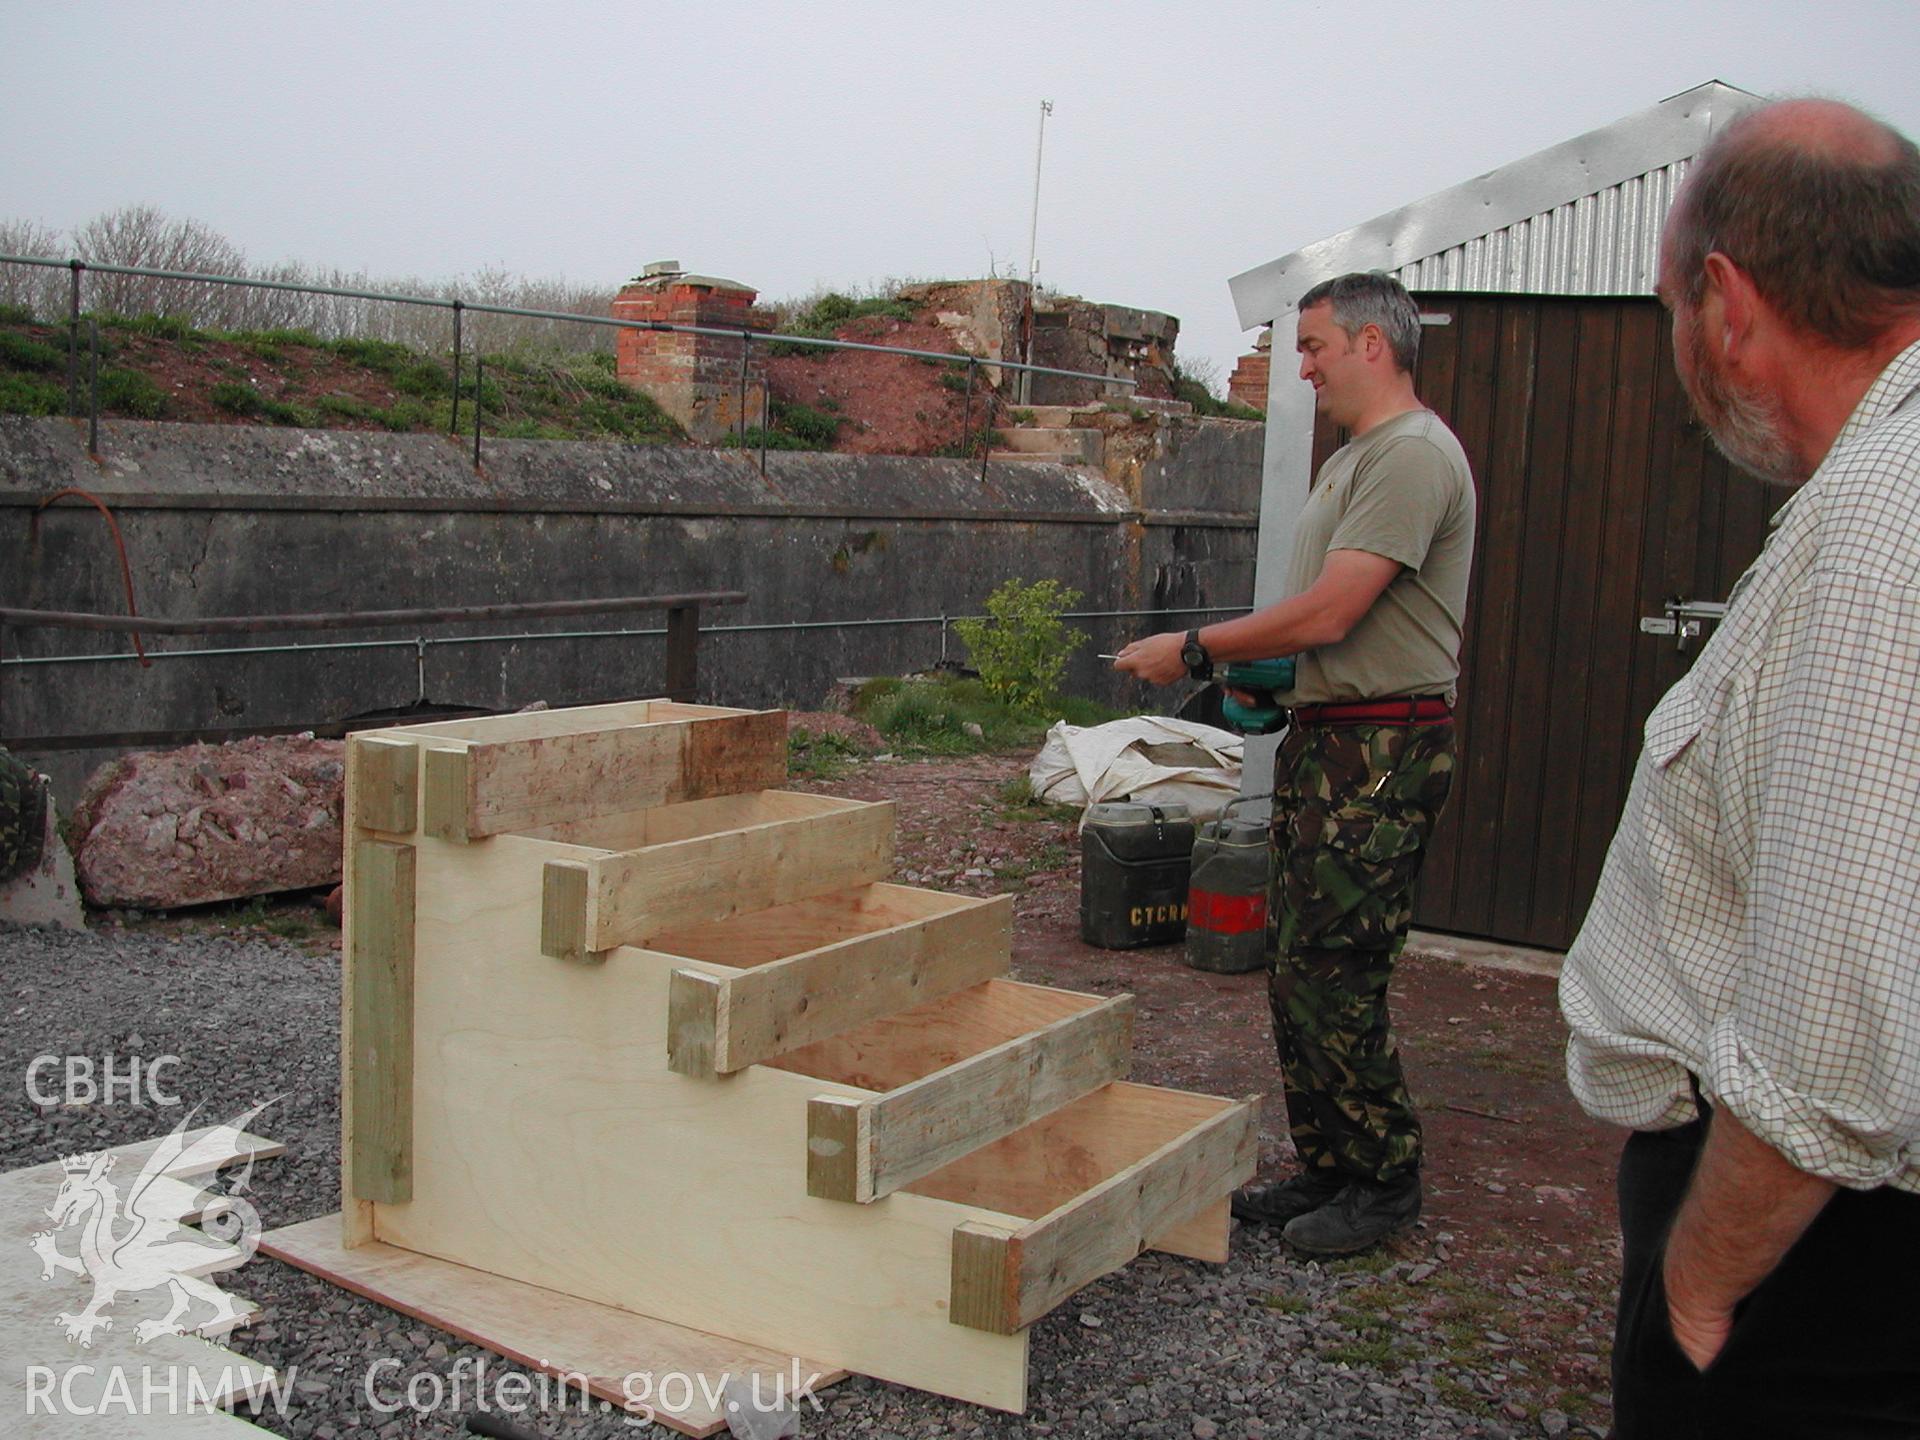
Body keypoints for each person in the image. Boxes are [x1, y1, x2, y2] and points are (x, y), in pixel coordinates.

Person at [1560, 98, 1920, 1437]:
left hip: (1819, 1275)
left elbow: (1835, 1048)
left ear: (1728, 302)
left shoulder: (1883, 526)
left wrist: (1701, 1291)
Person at [1115, 270, 1475, 1255]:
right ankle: (1329, 1164)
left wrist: (1197, 649)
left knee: (1339, 967)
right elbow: (1329, 627)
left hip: (1381, 749)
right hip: (1336, 740)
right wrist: (1276, 680)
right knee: (1299, 966)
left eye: (1314, 347)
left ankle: (1383, 1181)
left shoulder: (1409, 458)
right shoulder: (1357, 458)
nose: (1302, 366)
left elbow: (1334, 610)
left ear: (1371, 344)